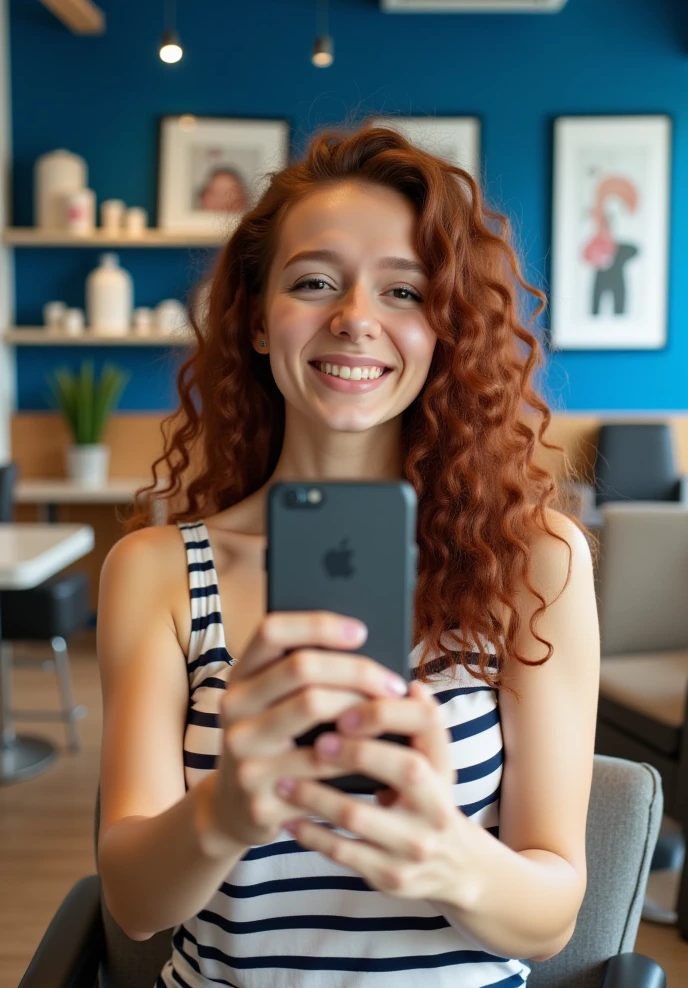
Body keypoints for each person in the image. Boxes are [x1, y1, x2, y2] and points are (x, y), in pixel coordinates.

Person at [96, 120, 600, 987]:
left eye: (404, 292)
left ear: (446, 328)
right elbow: (137, 905)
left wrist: (448, 854)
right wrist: (225, 809)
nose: (356, 318)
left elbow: (551, 916)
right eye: (315, 281)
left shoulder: (537, 562)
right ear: (255, 320)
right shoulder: (158, 574)